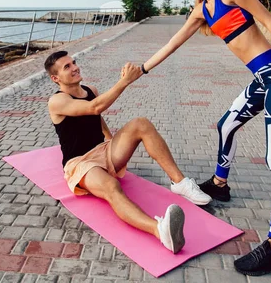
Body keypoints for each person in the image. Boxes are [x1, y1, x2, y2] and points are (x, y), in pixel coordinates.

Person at [139, 0, 271, 275]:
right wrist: (142, 69)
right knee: (226, 124)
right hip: (261, 80)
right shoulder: (203, 10)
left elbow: (268, 21)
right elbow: (172, 43)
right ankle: (220, 184)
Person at [44, 50, 212, 254]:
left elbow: (98, 117)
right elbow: (95, 108)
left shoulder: (91, 90)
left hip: (103, 151)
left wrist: (110, 139)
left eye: (74, 62)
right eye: (67, 67)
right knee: (111, 186)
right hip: (80, 163)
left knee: (141, 124)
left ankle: (180, 183)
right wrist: (125, 81)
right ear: (55, 78)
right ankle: (160, 231)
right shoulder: (57, 101)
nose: (75, 67)